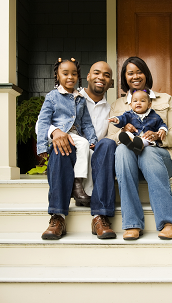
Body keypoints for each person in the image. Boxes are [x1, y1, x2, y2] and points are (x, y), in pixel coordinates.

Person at [108, 56, 172, 240]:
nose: (135, 76)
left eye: (139, 71)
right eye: (130, 73)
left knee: (148, 152)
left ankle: (170, 221)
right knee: (121, 149)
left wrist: (158, 136)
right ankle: (132, 224)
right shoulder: (118, 105)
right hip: (130, 162)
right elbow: (111, 137)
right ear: (125, 78)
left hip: (161, 159)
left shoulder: (164, 99)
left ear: (146, 74)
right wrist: (124, 131)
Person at [40, 61, 117, 240]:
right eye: (96, 73)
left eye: (106, 75)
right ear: (88, 77)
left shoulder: (111, 109)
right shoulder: (68, 96)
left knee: (107, 144)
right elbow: (41, 123)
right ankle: (58, 217)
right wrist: (55, 131)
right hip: (69, 153)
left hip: (95, 155)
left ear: (111, 82)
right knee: (62, 144)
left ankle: (100, 216)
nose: (101, 78)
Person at [108, 88, 168, 155]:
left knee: (147, 140)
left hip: (146, 138)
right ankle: (130, 143)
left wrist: (162, 130)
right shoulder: (128, 114)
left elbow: (161, 124)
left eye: (142, 101)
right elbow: (122, 119)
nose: (138, 103)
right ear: (131, 105)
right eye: (135, 101)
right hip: (134, 137)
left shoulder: (154, 116)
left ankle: (140, 146)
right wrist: (116, 120)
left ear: (149, 105)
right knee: (127, 134)